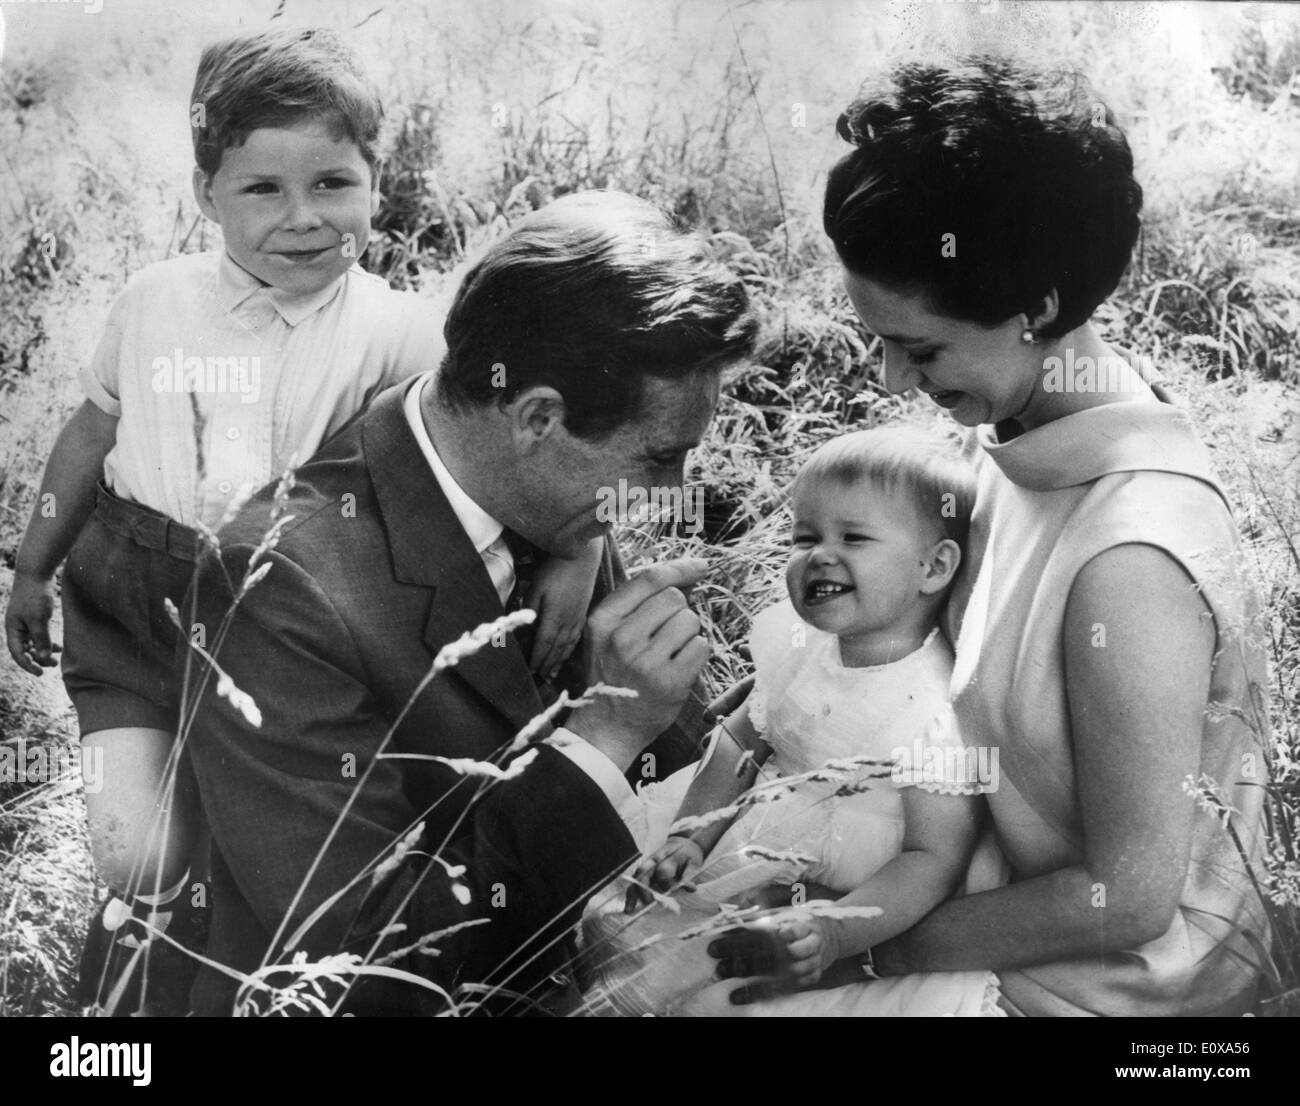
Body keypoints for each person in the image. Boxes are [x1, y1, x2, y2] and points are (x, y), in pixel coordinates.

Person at [1, 26, 596, 1015]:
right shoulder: (155, 303)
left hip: (288, 631)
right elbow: (89, 431)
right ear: (206, 195)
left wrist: (577, 546)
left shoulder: (401, 330)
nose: (303, 219)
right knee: (137, 849)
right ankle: (131, 938)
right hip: (134, 601)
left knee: (260, 854)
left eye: (332, 183)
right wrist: (32, 565)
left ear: (375, 178)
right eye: (261, 190)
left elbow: (510, 444)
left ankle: (215, 973)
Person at [709, 56, 1271, 1016]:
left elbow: (1126, 899)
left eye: (920, 349)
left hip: (1087, 994)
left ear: (1038, 309)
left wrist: (850, 951)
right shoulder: (1022, 434)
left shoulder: (1130, 559)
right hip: (941, 879)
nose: (890, 383)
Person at [181, 189, 759, 1016]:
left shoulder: (541, 491)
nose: (672, 494)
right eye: (662, 458)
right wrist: (605, 737)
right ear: (537, 417)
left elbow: (667, 782)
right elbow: (359, 964)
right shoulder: (279, 584)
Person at [579, 427, 1006, 1016]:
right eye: (804, 536)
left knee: (729, 998)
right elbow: (740, 745)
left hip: (845, 897)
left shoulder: (934, 704)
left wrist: (834, 932)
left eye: (854, 538)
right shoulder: (796, 643)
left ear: (932, 567)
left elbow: (932, 859)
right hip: (743, 841)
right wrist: (691, 833)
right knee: (621, 927)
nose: (819, 556)